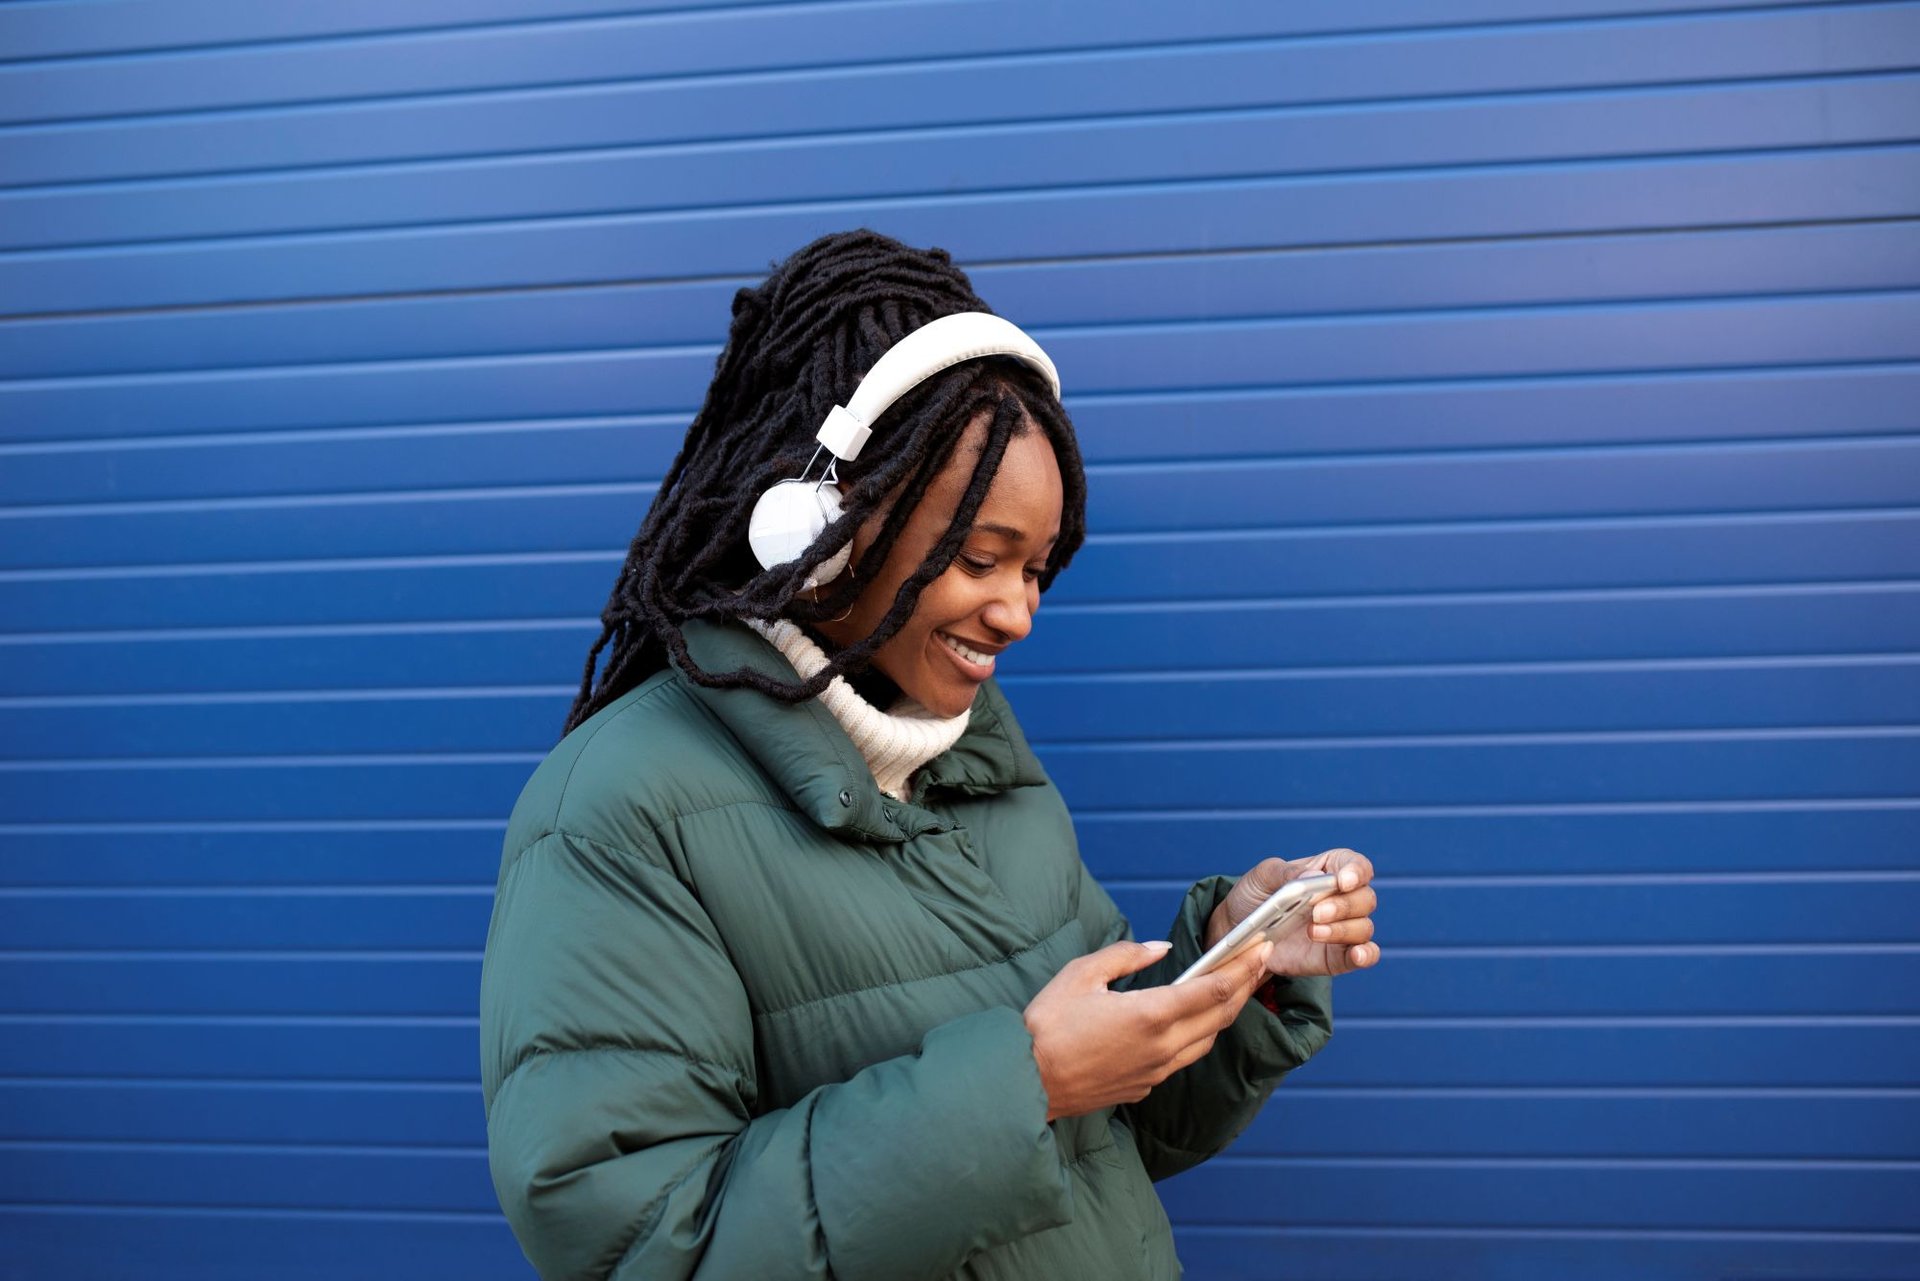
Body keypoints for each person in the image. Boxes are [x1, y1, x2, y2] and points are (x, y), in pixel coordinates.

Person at [478, 229, 1380, 1281]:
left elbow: (1114, 1138)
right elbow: (643, 1249)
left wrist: (1232, 969)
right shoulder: (621, 810)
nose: (1019, 614)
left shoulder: (982, 765)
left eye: (1038, 569)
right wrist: (1027, 1085)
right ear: (820, 524)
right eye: (981, 558)